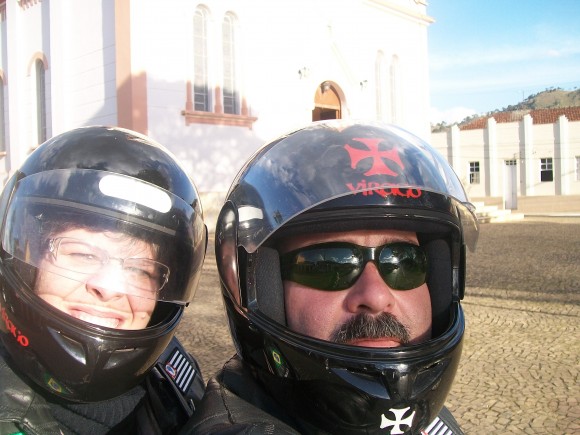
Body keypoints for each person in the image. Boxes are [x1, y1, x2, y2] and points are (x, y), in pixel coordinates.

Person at [183, 120, 479, 434]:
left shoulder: (435, 422)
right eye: (329, 265)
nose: (377, 296)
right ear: (261, 289)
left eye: (404, 262)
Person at [0, 126, 207, 434]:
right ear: (27, 263)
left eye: (141, 271)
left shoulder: (175, 380)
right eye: (83, 255)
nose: (108, 288)